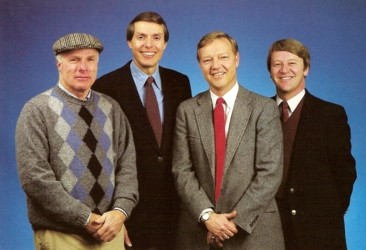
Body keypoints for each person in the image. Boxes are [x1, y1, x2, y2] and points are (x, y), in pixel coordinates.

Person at [15, 33, 139, 250]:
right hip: (62, 235)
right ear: (58, 64)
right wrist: (84, 217)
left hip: (109, 232)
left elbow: (127, 168)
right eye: (74, 60)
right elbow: (35, 179)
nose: (83, 67)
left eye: (90, 59)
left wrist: (120, 212)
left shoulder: (112, 108)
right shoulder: (37, 110)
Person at [172, 31, 284, 249]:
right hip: (198, 233)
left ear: (236, 59)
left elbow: (270, 173)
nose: (216, 66)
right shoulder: (187, 110)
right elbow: (182, 170)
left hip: (254, 232)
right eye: (207, 60)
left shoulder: (264, 109)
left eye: (223, 57)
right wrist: (208, 217)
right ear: (200, 65)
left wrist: (230, 224)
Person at [92, 11, 191, 249]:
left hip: (175, 210)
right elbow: (100, 158)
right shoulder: (105, 86)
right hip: (130, 211)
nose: (149, 45)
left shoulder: (180, 82)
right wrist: (115, 214)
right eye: (141, 37)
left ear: (165, 44)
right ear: (130, 42)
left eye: (156, 38)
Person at [267, 38, 357, 249]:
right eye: (277, 64)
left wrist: (329, 212)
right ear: (270, 71)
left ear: (305, 68)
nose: (284, 70)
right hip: (270, 230)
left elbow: (345, 171)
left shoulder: (330, 114)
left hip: (319, 230)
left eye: (292, 63)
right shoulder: (259, 112)